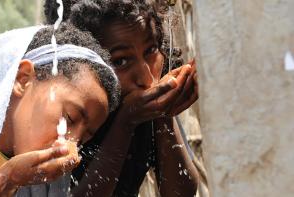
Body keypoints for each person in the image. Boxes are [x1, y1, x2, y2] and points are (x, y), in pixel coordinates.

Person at [0, 23, 120, 196]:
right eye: (69, 118)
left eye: (82, 140)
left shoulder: (40, 186)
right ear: (23, 79)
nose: (70, 144)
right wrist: (7, 178)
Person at [44, 0, 199, 196]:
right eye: (121, 61)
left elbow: (180, 192)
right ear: (84, 64)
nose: (146, 78)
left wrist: (163, 114)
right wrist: (126, 122)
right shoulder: (69, 119)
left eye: (151, 50)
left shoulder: (144, 102)